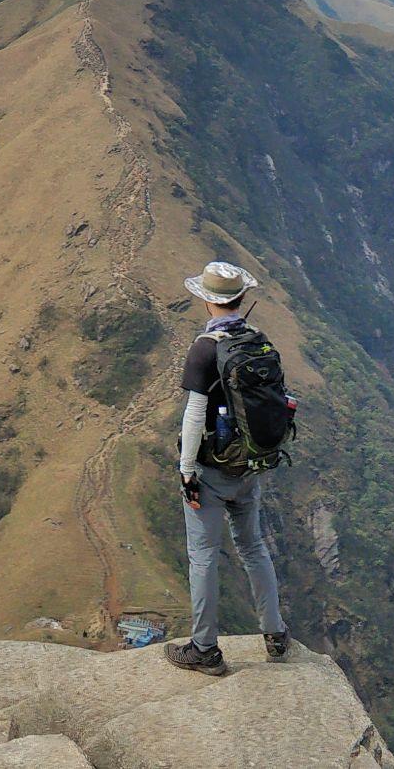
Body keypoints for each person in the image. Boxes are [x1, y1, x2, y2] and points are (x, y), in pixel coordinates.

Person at [165, 260, 291, 677]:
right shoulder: (257, 339)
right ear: (241, 298)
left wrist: (186, 471)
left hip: (212, 471)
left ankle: (204, 649)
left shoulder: (205, 348)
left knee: (203, 556)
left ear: (207, 299)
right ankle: (274, 633)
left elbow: (195, 414)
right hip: (249, 465)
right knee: (253, 546)